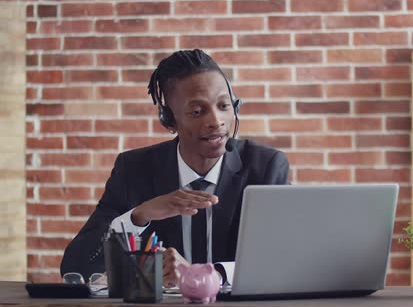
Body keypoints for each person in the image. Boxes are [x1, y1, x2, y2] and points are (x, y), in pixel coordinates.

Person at [60, 49, 289, 287]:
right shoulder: (134, 169)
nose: (216, 120)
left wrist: (210, 275)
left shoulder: (265, 167)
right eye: (197, 111)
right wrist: (139, 216)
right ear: (169, 120)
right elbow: (77, 267)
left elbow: (283, 258)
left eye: (224, 105)